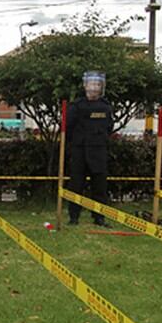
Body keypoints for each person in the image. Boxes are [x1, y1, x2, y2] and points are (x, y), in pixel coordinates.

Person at [65, 71, 112, 226]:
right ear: (85, 85)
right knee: (76, 185)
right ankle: (74, 216)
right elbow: (68, 128)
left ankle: (99, 217)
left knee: (100, 186)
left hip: (98, 151)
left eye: (97, 84)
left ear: (101, 87)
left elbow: (109, 128)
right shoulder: (76, 106)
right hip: (80, 151)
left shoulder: (105, 107)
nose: (94, 88)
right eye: (91, 84)